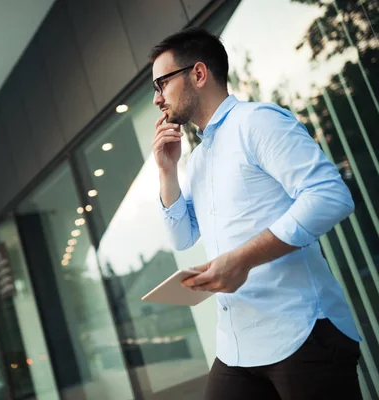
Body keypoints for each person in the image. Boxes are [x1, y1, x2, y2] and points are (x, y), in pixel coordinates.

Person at [150, 28, 362, 399]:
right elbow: (183, 238)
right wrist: (168, 171)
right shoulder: (197, 159)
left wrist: (243, 259)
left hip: (301, 332)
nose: (157, 99)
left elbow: (330, 196)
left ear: (198, 74)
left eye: (162, 83)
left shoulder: (257, 122)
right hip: (237, 345)